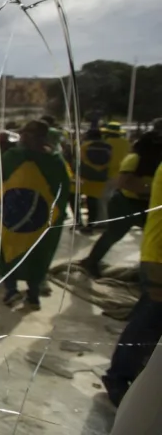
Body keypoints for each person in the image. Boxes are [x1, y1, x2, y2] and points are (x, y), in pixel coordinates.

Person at [0, 120, 69, 312]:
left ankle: (12, 291)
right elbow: (62, 190)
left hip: (12, 217)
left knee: (9, 251)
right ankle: (33, 296)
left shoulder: (12, 157)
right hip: (40, 220)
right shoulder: (55, 160)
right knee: (37, 254)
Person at [101, 159, 162, 407]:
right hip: (158, 257)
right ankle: (119, 377)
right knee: (149, 322)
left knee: (148, 318)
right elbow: (126, 181)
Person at [79, 130, 162, 278]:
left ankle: (148, 269)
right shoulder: (135, 159)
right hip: (125, 204)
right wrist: (151, 189)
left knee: (153, 238)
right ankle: (91, 262)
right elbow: (123, 183)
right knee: (113, 234)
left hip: (146, 204)